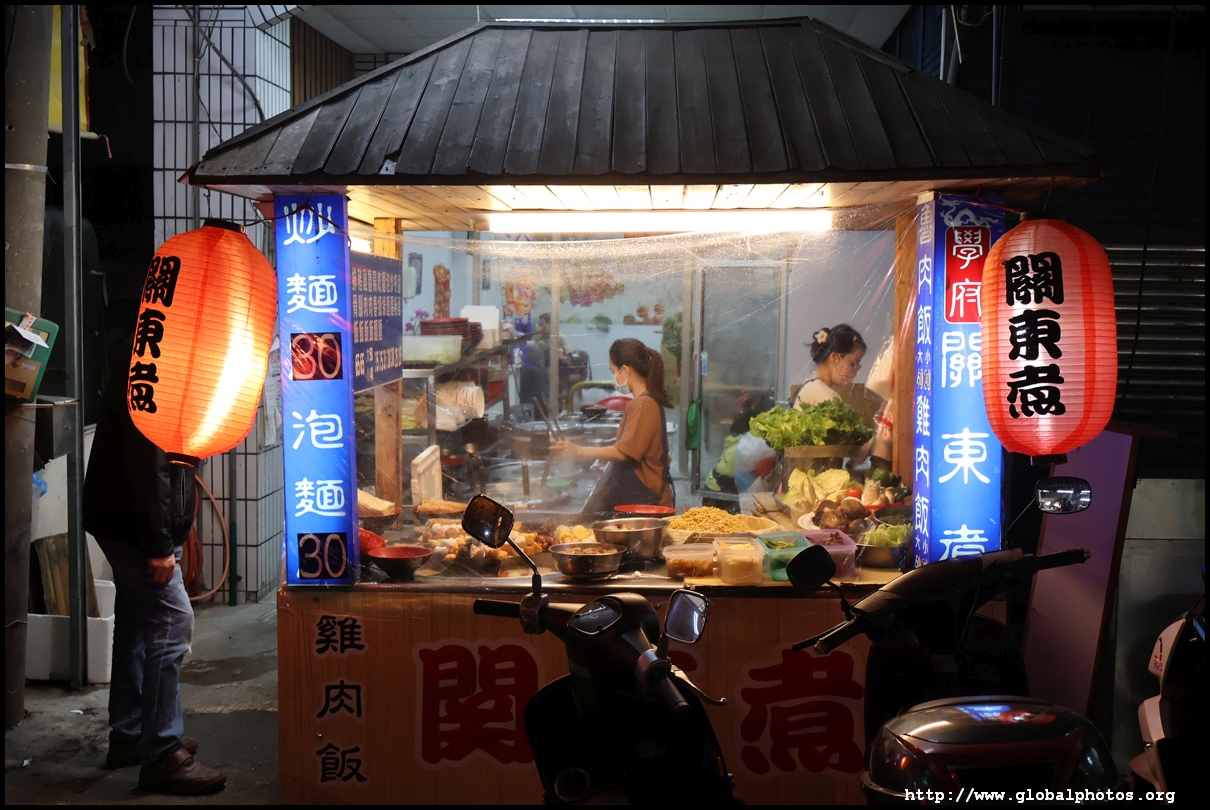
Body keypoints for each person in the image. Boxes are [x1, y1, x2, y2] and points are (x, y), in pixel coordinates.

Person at [83, 332, 227, 795]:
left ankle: (130, 734)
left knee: (136, 623)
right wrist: (159, 546)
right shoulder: (160, 368)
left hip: (127, 520)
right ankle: (162, 751)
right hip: (136, 526)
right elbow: (149, 465)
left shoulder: (157, 353)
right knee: (172, 621)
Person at [553, 338, 674, 509]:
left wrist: (577, 450)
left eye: (613, 371)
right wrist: (605, 454)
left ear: (624, 370)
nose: (613, 377)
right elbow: (631, 446)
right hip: (643, 499)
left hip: (648, 502)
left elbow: (624, 453)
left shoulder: (643, 404)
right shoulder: (644, 401)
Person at [794, 323, 891, 462]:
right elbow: (851, 445)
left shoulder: (811, 385)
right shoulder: (825, 396)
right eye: (852, 364)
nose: (855, 371)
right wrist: (883, 434)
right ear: (834, 357)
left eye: (858, 366)